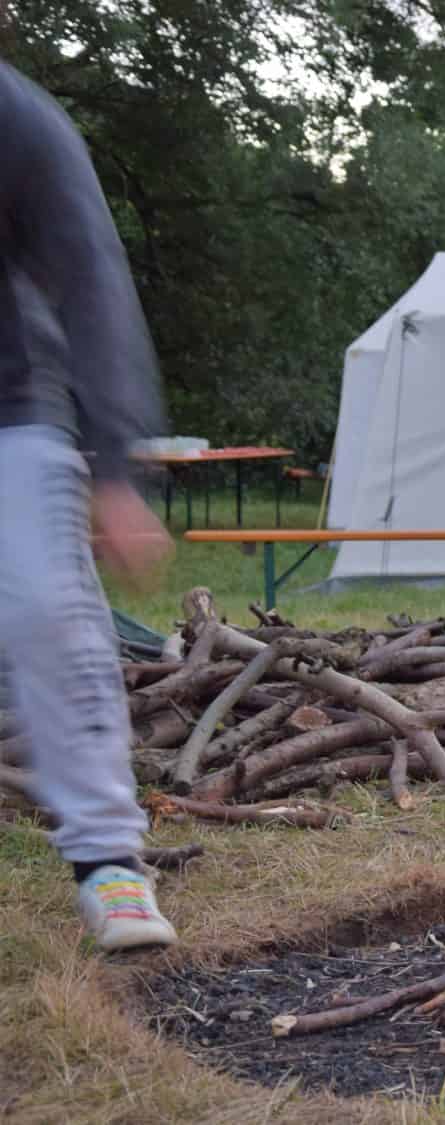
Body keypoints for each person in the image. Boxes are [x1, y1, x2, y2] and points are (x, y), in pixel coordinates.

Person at [1, 62, 179, 950]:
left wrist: (115, 467)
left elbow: (90, 278)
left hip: (13, 414)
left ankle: (108, 861)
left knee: (47, 612)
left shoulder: (16, 117)